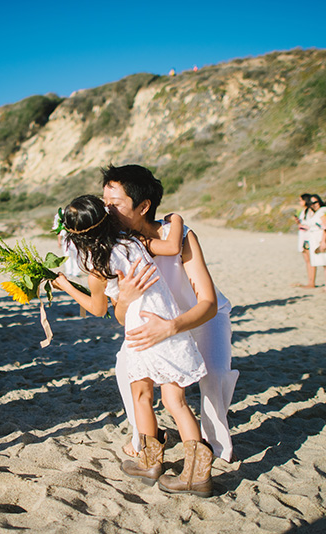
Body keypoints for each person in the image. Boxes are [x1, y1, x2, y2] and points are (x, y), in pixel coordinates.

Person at [54, 194, 212, 497]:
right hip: (163, 321)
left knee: (142, 395)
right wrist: (176, 219)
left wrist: (65, 286)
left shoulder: (96, 266)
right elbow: (171, 246)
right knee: (174, 401)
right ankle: (183, 468)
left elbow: (99, 309)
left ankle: (164, 466)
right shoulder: (132, 242)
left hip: (141, 331)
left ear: (74, 234)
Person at [100, 164, 238, 464]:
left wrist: (171, 327)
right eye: (104, 203)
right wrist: (125, 296)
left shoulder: (180, 236)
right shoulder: (118, 248)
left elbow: (209, 303)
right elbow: (121, 317)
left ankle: (215, 448)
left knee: (214, 375)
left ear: (143, 206)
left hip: (202, 318)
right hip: (154, 323)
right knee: (125, 365)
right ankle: (143, 438)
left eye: (116, 204)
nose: (107, 211)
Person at [306, 195, 326, 292]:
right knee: (324, 263)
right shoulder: (314, 213)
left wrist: (324, 241)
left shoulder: (322, 211)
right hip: (314, 237)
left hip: (321, 237)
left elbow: (325, 226)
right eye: (311, 203)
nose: (314, 205)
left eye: (315, 202)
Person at [294, 193, 316, 288]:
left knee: (310, 260)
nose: (299, 202)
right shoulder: (303, 211)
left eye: (301, 200)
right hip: (303, 237)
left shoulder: (310, 211)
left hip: (308, 237)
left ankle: (312, 282)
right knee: (307, 260)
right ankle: (310, 280)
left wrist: (303, 225)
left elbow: (311, 224)